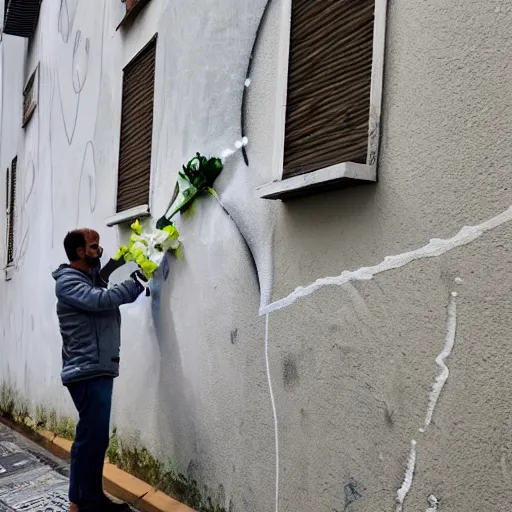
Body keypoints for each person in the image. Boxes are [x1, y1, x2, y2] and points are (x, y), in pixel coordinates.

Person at [52, 228, 146, 512]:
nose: (100, 250)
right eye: (94, 247)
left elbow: (101, 279)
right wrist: (137, 282)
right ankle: (90, 501)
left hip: (93, 368)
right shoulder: (68, 283)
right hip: (87, 370)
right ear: (80, 252)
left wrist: (121, 260)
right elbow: (99, 299)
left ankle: (80, 500)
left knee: (89, 438)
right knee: (93, 439)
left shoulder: (83, 278)